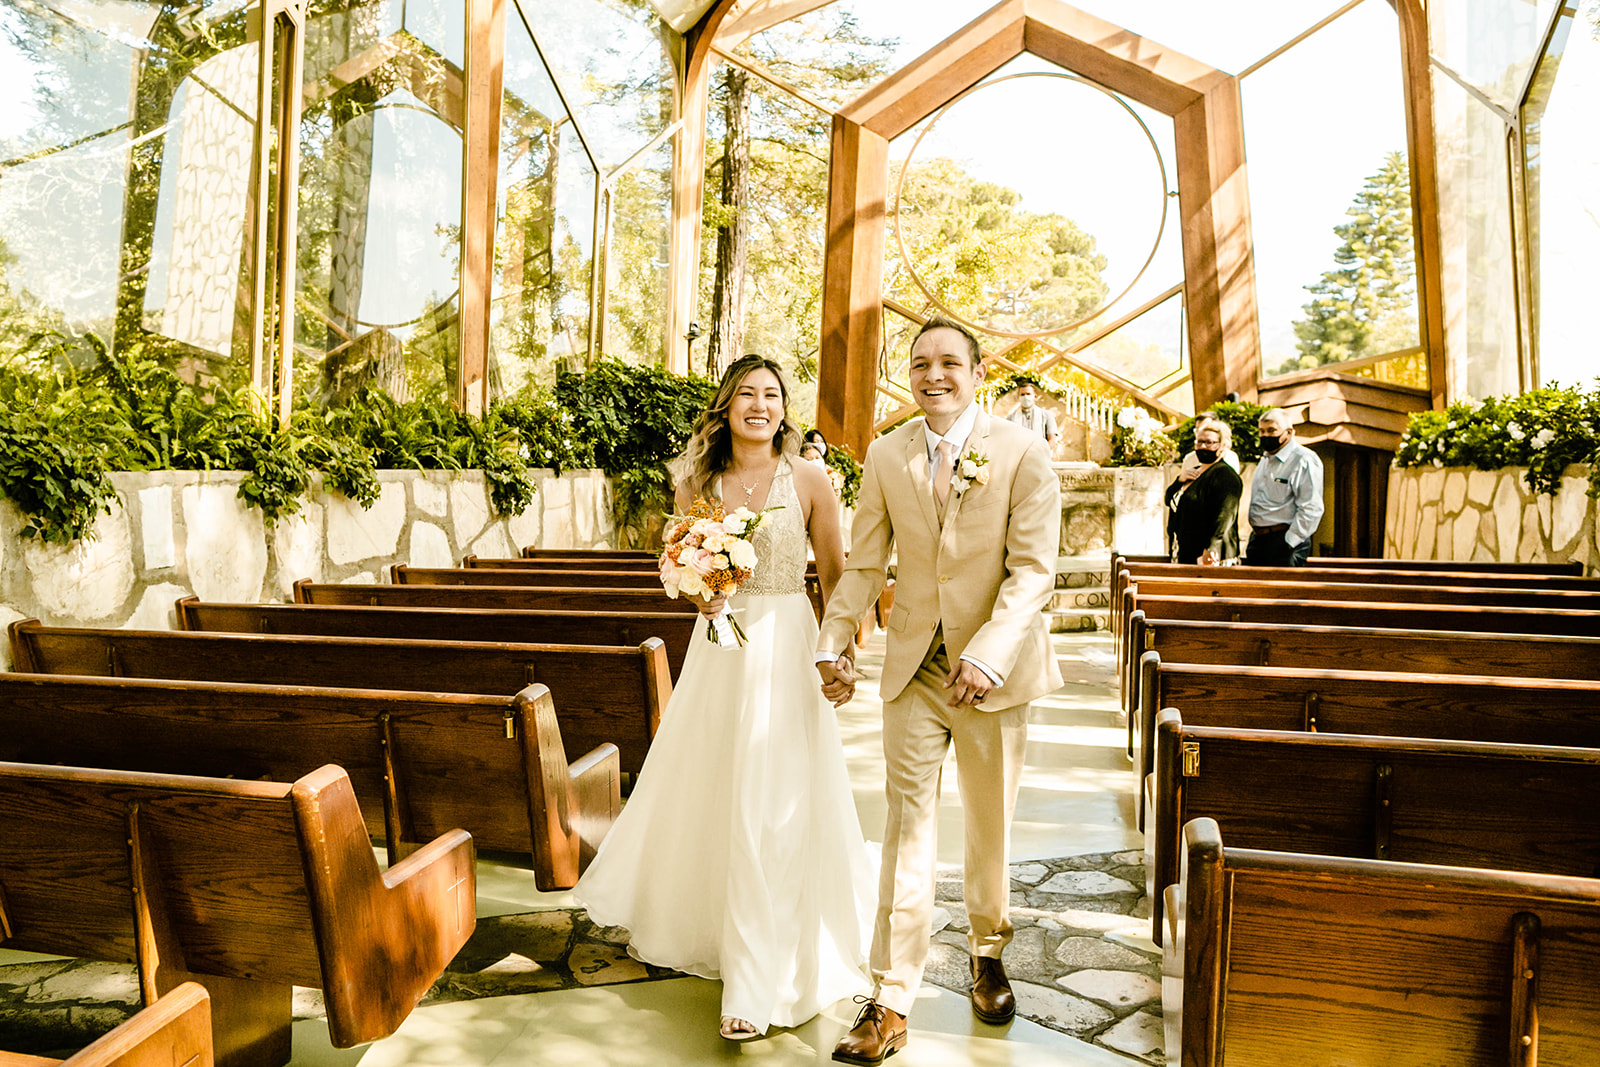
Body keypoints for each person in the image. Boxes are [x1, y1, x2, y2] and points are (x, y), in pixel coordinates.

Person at [573, 355, 875, 1042]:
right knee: (721, 790)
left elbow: (835, 573)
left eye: (771, 394)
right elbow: (683, 565)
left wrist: (840, 652)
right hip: (721, 650)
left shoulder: (808, 477)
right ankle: (721, 933)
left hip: (788, 645)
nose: (759, 405)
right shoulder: (698, 481)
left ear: (784, 408)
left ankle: (756, 977)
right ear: (726, 406)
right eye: (746, 394)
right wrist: (699, 592)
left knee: (775, 804)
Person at [814, 316, 1061, 1065]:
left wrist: (988, 654)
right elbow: (865, 563)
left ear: (978, 373)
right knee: (906, 831)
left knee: (988, 826)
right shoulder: (886, 454)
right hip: (915, 671)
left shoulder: (1022, 451)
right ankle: (891, 998)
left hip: (995, 677)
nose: (934, 375)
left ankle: (988, 950)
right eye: (920, 363)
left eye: (950, 362)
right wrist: (833, 638)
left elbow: (1033, 570)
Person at [1244, 406, 1324, 567]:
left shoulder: (1303, 459)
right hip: (1258, 541)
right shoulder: (1265, 459)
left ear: (1289, 432)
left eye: (1271, 430)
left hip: (1284, 542)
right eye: (1262, 431)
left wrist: (1290, 541)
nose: (1265, 435)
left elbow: (1311, 507)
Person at [1165, 419, 1242, 565]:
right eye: (1199, 442)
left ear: (1222, 446)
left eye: (1209, 442)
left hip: (1211, 556)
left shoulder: (1225, 476)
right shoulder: (1192, 473)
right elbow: (1169, 499)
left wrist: (1212, 547)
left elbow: (1225, 515)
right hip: (1185, 552)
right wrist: (1179, 481)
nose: (1203, 446)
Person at [1005, 382, 1057, 451]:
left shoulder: (1046, 415)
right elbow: (1008, 440)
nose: (1025, 397)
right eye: (1022, 395)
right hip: (1019, 454)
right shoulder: (1011, 418)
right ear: (1018, 397)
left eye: (1028, 394)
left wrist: (1043, 452)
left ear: (1035, 396)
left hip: (1040, 453)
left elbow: (1052, 440)